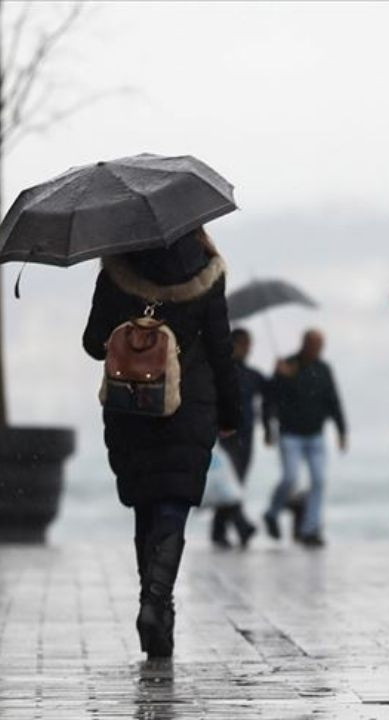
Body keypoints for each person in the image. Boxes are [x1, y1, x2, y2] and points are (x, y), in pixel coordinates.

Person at [82, 227, 240, 659]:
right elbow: (222, 350)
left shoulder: (117, 270)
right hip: (190, 403)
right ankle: (158, 603)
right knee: (174, 502)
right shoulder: (207, 273)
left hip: (130, 402)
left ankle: (151, 606)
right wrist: (231, 415)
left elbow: (93, 343)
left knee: (146, 504)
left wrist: (134, 328)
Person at [262, 329, 347, 547]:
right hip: (290, 434)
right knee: (290, 478)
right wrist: (268, 428)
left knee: (319, 481)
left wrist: (341, 430)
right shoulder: (287, 365)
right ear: (304, 343)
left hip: (316, 435)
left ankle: (310, 530)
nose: (317, 349)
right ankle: (272, 512)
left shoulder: (323, 369)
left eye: (320, 345)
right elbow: (270, 398)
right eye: (314, 344)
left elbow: (333, 400)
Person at [210, 328, 275, 549]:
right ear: (234, 345)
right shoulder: (221, 372)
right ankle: (242, 526)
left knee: (234, 483)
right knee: (231, 482)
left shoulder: (253, 375)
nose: (249, 349)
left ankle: (219, 531)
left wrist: (268, 428)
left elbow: (271, 397)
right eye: (245, 344)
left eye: (250, 344)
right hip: (225, 435)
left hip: (246, 435)